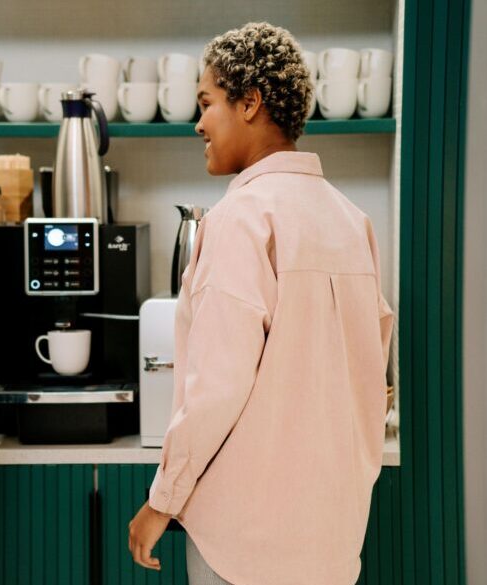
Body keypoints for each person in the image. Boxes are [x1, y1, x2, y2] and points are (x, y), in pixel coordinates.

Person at [127, 22, 394, 585]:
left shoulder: (239, 220)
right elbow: (372, 377)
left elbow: (216, 387)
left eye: (207, 103)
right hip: (334, 538)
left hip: (244, 544)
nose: (198, 122)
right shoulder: (352, 221)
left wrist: (162, 501)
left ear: (249, 103)